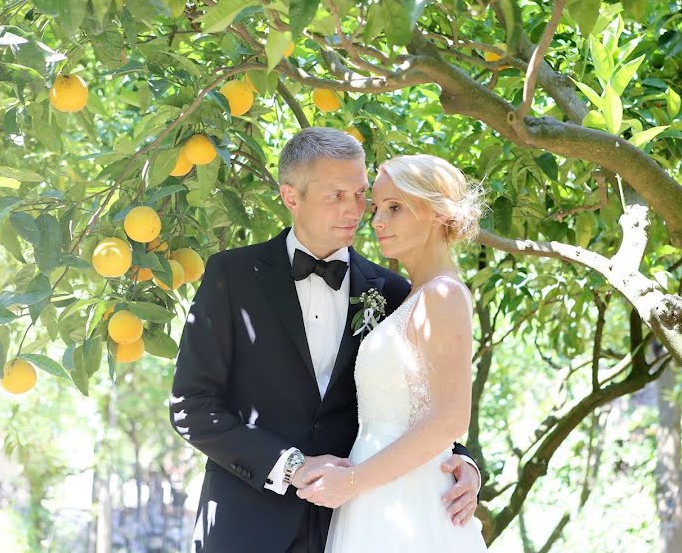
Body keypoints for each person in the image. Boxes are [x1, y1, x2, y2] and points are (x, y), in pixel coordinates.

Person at [169, 128, 481, 552]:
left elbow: (423, 397)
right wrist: (290, 467)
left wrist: (461, 461)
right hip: (247, 524)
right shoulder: (232, 277)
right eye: (336, 195)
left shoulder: (392, 291)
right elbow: (192, 406)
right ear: (290, 197)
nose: (356, 211)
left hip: (359, 520)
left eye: (360, 194)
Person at [295, 154, 489, 551]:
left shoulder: (444, 295)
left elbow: (450, 418)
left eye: (395, 207)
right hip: (377, 492)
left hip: (406, 496)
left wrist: (351, 483)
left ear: (436, 212)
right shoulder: (408, 296)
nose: (378, 221)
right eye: (378, 208)